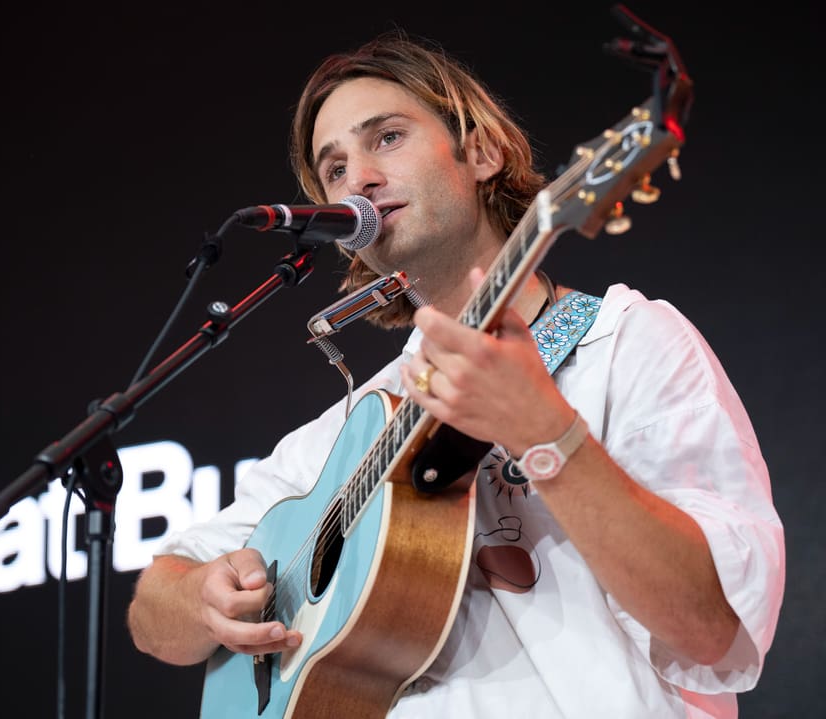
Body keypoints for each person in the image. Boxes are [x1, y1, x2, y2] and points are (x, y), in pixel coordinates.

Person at [126, 31, 785, 718]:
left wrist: (546, 431)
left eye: (386, 137)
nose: (360, 179)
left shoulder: (627, 343)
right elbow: (154, 613)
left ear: (482, 152)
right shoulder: (345, 433)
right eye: (334, 168)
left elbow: (714, 631)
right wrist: (205, 597)